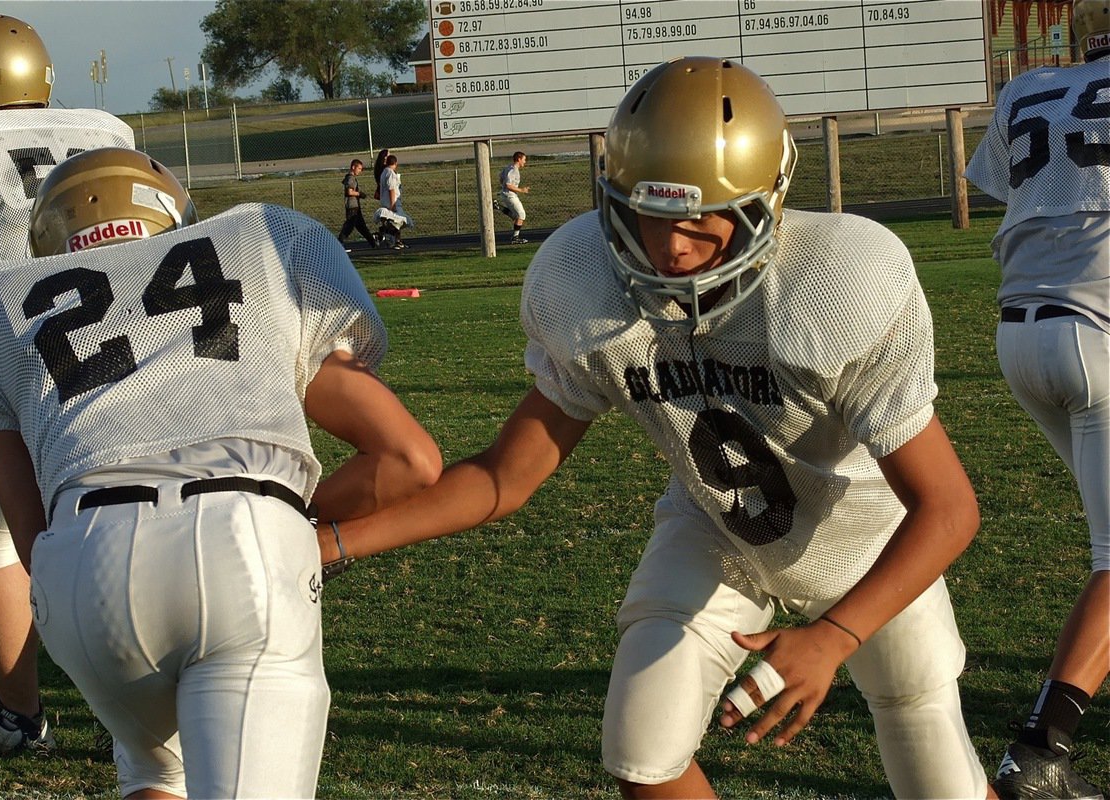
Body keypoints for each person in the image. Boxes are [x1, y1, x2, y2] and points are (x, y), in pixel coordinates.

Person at [318, 57, 996, 799]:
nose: (672, 249)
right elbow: (505, 476)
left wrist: (835, 636)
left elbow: (950, 507)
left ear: (766, 204)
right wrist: (338, 542)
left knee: (940, 780)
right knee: (642, 747)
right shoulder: (583, 281)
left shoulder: (836, 282)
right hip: (718, 530)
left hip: (867, 543)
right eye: (650, 217)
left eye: (704, 221)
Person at [0, 147, 442, 798]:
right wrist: (289, 527)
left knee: (155, 771)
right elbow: (410, 460)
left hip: (84, 567)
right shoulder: (258, 241)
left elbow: (30, 538)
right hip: (240, 535)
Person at [0, 13, 136, 757]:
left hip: (23, 357)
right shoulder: (108, 127)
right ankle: (138, 713)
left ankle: (17, 714)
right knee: (129, 515)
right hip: (143, 346)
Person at [965, 1, 1109, 797]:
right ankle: (1040, 756)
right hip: (1100, 334)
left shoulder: (1028, 88)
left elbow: (1012, 187)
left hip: (1021, 333)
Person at [338, 158, 377, 252]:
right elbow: (349, 192)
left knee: (362, 227)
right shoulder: (350, 178)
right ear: (353, 167)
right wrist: (360, 194)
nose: (360, 171)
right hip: (352, 206)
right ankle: (339, 244)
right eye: (359, 168)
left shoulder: (350, 178)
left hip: (356, 206)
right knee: (349, 227)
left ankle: (373, 243)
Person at [376, 153, 412, 249]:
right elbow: (391, 189)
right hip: (392, 202)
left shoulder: (384, 172)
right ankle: (383, 234)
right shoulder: (390, 173)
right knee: (401, 221)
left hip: (386, 201)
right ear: (395, 163)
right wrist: (392, 205)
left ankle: (396, 240)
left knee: (396, 223)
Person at [498, 151, 530, 244]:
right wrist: (521, 190)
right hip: (509, 195)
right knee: (521, 215)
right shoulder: (513, 170)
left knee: (516, 217)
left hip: (506, 194)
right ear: (519, 159)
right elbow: (508, 185)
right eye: (524, 160)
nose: (525, 162)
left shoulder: (508, 168)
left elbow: (501, 178)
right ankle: (515, 238)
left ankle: (499, 207)